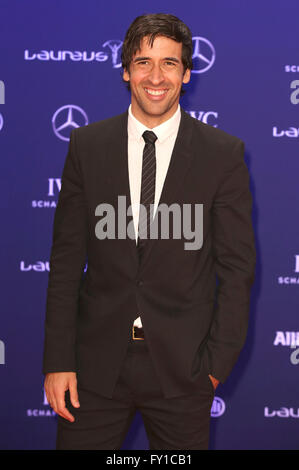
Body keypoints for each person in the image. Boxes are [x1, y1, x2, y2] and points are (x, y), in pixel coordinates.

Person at [43, 13, 256, 450]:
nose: (155, 76)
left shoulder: (223, 154)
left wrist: (214, 366)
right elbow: (65, 263)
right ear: (125, 71)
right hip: (93, 368)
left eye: (169, 63)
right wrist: (59, 360)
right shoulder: (87, 145)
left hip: (183, 370)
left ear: (187, 73)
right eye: (143, 62)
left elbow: (237, 269)